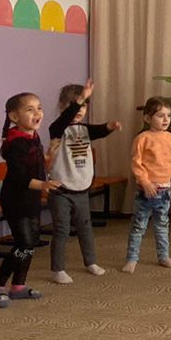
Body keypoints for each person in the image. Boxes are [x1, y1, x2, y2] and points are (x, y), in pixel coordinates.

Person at [0, 93, 62, 307]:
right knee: (24, 244)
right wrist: (43, 185)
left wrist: (48, 156)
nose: (37, 112)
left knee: (30, 243)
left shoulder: (33, 137)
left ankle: (18, 286)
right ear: (14, 116)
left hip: (31, 198)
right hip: (16, 200)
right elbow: (18, 177)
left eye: (39, 107)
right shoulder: (16, 143)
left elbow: (36, 166)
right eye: (30, 109)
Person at [46, 80, 122, 281]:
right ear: (62, 106)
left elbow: (99, 130)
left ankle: (90, 262)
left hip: (81, 188)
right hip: (60, 189)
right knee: (61, 229)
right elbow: (64, 120)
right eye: (75, 105)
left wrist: (110, 126)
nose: (80, 109)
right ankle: (58, 269)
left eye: (84, 106)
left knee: (85, 228)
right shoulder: (57, 128)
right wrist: (80, 99)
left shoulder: (84, 129)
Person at [125, 97, 171, 273]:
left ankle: (163, 256)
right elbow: (136, 164)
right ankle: (132, 258)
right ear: (147, 118)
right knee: (139, 225)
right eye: (160, 115)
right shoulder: (142, 138)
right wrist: (145, 182)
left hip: (164, 190)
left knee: (162, 225)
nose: (165, 119)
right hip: (146, 191)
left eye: (168, 115)